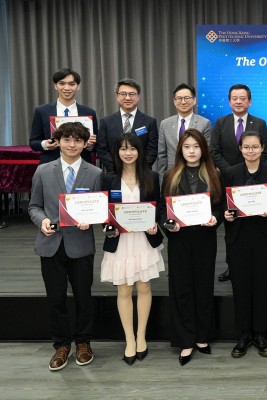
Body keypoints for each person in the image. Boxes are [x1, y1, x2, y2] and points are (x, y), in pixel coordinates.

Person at [28, 122, 102, 371]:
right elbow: (33, 207)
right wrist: (43, 221)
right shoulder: (43, 171)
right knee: (56, 298)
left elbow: (100, 210)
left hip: (80, 244)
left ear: (85, 144)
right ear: (58, 141)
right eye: (67, 140)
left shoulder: (94, 173)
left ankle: (83, 342)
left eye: (78, 141)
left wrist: (89, 220)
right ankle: (61, 345)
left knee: (84, 296)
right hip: (51, 243)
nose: (72, 145)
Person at [100, 133, 165, 365]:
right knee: (124, 290)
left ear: (139, 151)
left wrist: (155, 223)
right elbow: (103, 213)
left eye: (132, 149)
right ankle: (129, 339)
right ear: (117, 152)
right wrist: (108, 227)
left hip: (143, 241)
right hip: (120, 242)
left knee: (144, 286)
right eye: (123, 149)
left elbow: (157, 208)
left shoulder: (152, 177)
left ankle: (141, 336)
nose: (128, 153)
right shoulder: (108, 179)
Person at [160, 129, 221, 366]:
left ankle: (202, 336)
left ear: (203, 149)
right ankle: (185, 339)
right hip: (179, 240)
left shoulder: (214, 174)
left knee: (203, 287)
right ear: (180, 150)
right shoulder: (171, 175)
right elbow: (163, 211)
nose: (192, 151)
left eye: (196, 146)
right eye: (187, 147)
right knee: (182, 288)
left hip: (205, 239)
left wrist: (216, 219)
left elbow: (219, 207)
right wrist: (169, 225)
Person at [222, 131, 267, 359]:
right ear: (240, 149)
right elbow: (223, 205)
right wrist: (226, 215)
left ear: (262, 148)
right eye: (246, 147)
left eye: (255, 147)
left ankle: (261, 333)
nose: (251, 151)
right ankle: (244, 334)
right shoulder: (229, 173)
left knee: (262, 285)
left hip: (264, 236)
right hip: (238, 237)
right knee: (241, 286)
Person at [209, 83, 267, 282]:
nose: (238, 101)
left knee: (252, 222)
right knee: (231, 224)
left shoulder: (259, 123)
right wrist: (231, 172)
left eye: (242, 98)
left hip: (253, 181)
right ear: (229, 101)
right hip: (228, 180)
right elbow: (214, 151)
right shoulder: (220, 122)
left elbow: (265, 151)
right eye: (234, 98)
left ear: (249, 101)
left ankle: (253, 260)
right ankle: (231, 265)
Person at [29, 68, 98, 164]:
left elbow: (96, 143)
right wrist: (45, 144)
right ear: (55, 86)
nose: (67, 88)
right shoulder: (42, 111)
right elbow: (33, 142)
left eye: (71, 84)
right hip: (51, 164)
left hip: (82, 165)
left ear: (78, 86)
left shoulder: (89, 112)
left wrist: (90, 145)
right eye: (62, 84)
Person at [97, 78, 159, 171]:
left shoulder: (149, 122)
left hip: (142, 174)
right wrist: (117, 169)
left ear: (138, 96)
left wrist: (138, 170)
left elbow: (152, 150)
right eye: (123, 94)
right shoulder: (106, 122)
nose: (127, 98)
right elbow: (102, 150)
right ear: (117, 96)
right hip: (114, 174)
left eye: (132, 94)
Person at [157, 83, 212, 176]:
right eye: (179, 98)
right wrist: (162, 183)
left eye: (187, 98)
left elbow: (207, 153)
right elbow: (162, 156)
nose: (183, 102)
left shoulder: (204, 123)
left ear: (194, 100)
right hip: (172, 175)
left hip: (197, 174)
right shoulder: (165, 124)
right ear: (174, 101)